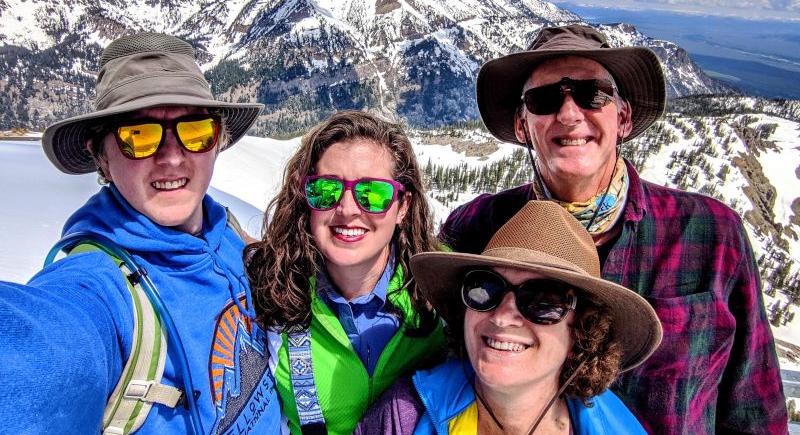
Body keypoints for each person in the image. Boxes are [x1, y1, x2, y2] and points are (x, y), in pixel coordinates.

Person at [440, 24, 787, 434]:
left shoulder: (710, 234)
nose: (569, 114)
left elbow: (755, 410)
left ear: (622, 117)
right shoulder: (476, 229)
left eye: (592, 94)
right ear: (522, 126)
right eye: (544, 99)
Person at [0, 33, 283, 434]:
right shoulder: (102, 288)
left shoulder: (225, 228)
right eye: (139, 136)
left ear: (216, 141)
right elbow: (37, 350)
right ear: (102, 157)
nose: (171, 156)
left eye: (195, 131)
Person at [356, 200, 662, 434]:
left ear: (583, 330)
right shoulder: (405, 414)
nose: (503, 316)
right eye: (485, 289)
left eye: (543, 301)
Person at [245, 110, 446, 435]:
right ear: (306, 200)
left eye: (372, 194)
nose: (348, 209)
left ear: (402, 207)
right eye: (326, 190)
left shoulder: (444, 285)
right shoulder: (269, 291)